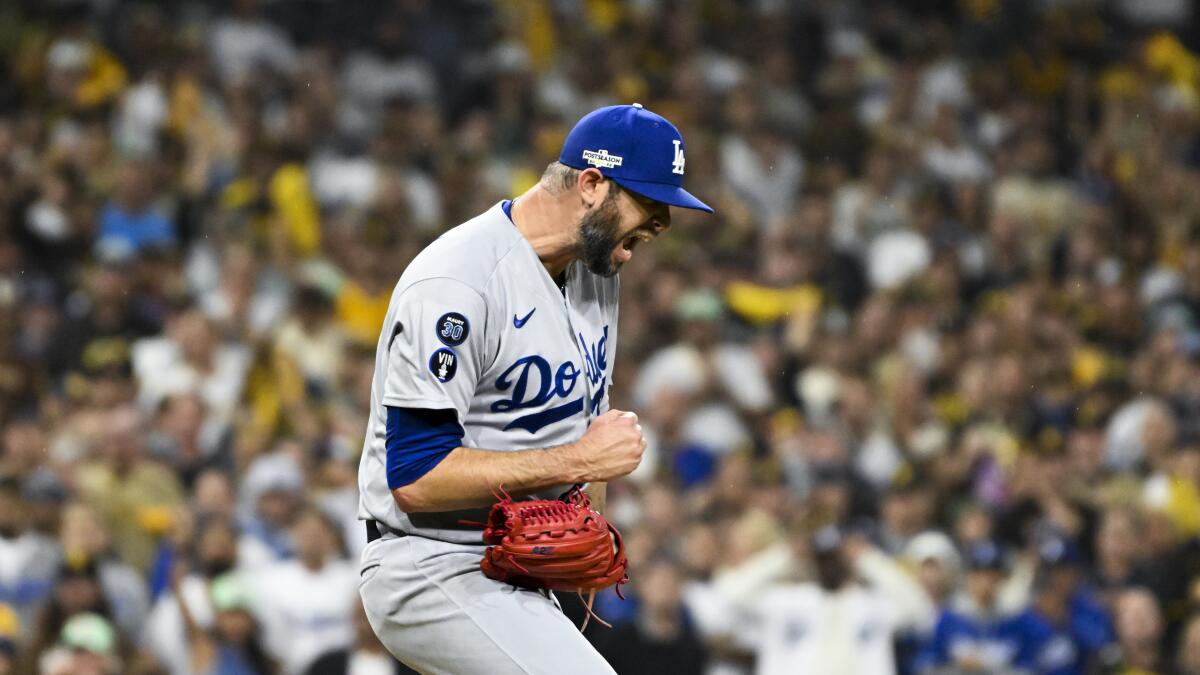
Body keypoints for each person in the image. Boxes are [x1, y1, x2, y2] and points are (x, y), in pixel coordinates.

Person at [356, 103, 712, 674]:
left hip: (514, 570)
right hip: (429, 561)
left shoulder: (597, 273)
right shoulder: (459, 281)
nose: (662, 223)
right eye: (650, 202)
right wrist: (580, 458)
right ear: (592, 185)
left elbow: (586, 423)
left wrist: (585, 513)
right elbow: (415, 478)